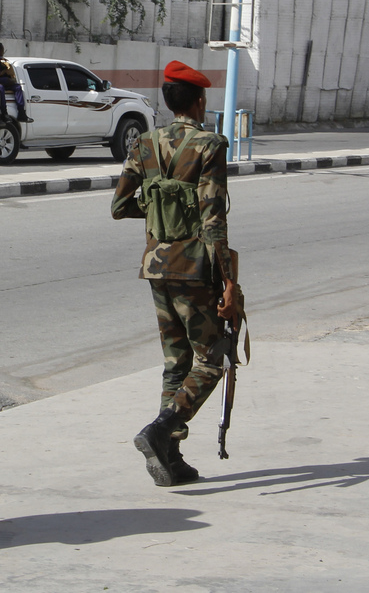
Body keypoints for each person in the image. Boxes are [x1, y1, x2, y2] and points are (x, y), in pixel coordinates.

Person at [111, 61, 241, 486]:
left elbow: (121, 206)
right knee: (213, 358)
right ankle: (161, 429)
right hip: (194, 266)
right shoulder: (209, 145)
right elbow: (213, 218)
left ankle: (171, 457)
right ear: (199, 101)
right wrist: (229, 283)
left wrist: (160, 205)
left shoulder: (144, 144)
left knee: (175, 362)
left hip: (156, 266)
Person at [0, 41, 32, 123]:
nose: (3, 52)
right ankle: (4, 113)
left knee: (17, 87)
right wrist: (6, 80)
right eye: (2, 50)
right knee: (0, 88)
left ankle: (21, 112)